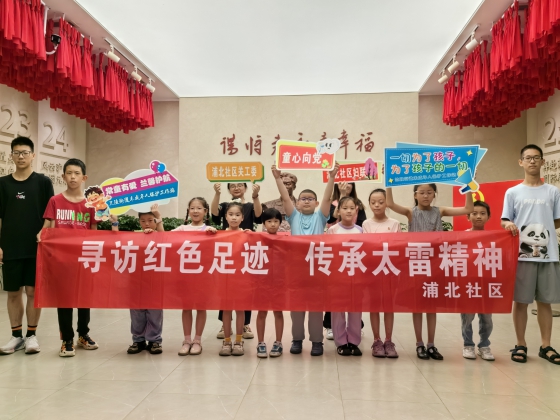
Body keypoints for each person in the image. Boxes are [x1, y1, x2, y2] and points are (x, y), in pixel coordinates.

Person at [387, 183, 473, 361]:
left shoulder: (439, 211)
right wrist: (388, 181)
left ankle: (431, 344)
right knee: (417, 306)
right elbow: (390, 204)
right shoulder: (410, 212)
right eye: (422, 193)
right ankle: (419, 344)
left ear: (434, 194)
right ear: (415, 195)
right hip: (416, 265)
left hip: (435, 265)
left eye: (429, 192)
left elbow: (468, 209)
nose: (425, 196)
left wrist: (468, 185)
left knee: (431, 306)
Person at [38, 158, 113, 357]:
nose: (73, 177)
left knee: (84, 297)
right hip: (61, 260)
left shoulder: (91, 204)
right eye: (69, 173)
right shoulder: (55, 201)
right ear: (63, 176)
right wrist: (41, 236)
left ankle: (83, 334)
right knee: (64, 299)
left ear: (84, 178)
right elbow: (47, 226)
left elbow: (94, 230)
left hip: (85, 259)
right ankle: (66, 339)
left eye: (77, 173)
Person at [272, 162, 339, 356]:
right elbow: (285, 197)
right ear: (298, 203)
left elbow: (327, 198)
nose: (307, 201)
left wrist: (332, 177)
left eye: (311, 199)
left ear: (317, 204)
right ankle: (297, 340)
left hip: (317, 270)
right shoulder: (293, 216)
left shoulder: (321, 217)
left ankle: (317, 341)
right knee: (296, 308)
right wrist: (277, 178)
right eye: (303, 199)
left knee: (316, 308)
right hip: (296, 271)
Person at [502, 144, 560, 365]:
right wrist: (508, 225)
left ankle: (546, 346)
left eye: (536, 157)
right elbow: (505, 219)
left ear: (543, 161)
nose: (532, 161)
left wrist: (541, 232)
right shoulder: (513, 192)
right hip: (522, 255)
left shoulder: (553, 191)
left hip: (548, 254)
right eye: (528, 158)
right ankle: (521, 344)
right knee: (521, 301)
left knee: (545, 302)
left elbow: (557, 220)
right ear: (521, 162)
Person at [0, 137, 54, 355]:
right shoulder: (3, 184)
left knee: (32, 291)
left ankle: (31, 335)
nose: (20, 156)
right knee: (13, 292)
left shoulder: (43, 182)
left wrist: (45, 234)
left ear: (33, 155)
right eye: (16, 153)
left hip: (36, 246)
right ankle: (16, 336)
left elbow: (50, 215)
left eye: (24, 152)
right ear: (11, 155)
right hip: (10, 246)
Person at [212, 182, 262, 340]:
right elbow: (214, 213)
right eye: (232, 185)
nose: (236, 188)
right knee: (225, 292)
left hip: (244, 252)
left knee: (245, 292)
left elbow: (259, 216)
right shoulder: (224, 205)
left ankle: (245, 324)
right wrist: (217, 193)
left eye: (240, 185)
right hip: (227, 254)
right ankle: (225, 324)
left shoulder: (250, 206)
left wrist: (255, 196)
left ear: (245, 188)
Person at [173, 197, 217, 356]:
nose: (195, 211)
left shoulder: (209, 230)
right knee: (186, 307)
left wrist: (214, 234)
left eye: (199, 208)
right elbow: (164, 237)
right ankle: (186, 340)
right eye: (192, 208)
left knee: (200, 307)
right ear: (188, 211)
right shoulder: (182, 229)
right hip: (185, 275)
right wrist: (156, 223)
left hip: (203, 276)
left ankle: (197, 340)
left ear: (205, 211)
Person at [324, 182, 367, 339]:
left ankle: (354, 337)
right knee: (337, 305)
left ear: (356, 210)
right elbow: (327, 252)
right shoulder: (332, 230)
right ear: (339, 211)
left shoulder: (361, 230)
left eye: (352, 208)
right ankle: (339, 338)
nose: (348, 211)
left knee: (355, 306)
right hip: (337, 274)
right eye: (345, 208)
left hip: (355, 274)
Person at [362, 188, 401, 358]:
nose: (377, 205)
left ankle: (389, 340)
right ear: (369, 204)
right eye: (373, 202)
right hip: (373, 272)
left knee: (389, 306)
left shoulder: (395, 223)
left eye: (380, 202)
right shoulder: (366, 224)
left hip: (390, 271)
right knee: (374, 306)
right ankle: (377, 340)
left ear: (387, 204)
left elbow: (398, 247)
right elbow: (366, 247)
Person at [126, 204, 165, 355]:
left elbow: (164, 238)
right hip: (136, 281)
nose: (147, 224)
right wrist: (114, 222)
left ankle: (155, 340)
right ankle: (138, 340)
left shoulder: (160, 236)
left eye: (150, 220)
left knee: (155, 311)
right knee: (137, 312)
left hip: (155, 281)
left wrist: (158, 216)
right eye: (143, 221)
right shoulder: (134, 236)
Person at [461, 200, 495, 361]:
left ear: (489, 216)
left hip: (487, 284)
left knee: (487, 318)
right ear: (468, 216)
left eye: (483, 213)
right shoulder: (462, 236)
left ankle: (484, 345)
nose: (479, 216)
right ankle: (468, 345)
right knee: (467, 317)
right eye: (474, 213)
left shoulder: (494, 238)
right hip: (468, 284)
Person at [219, 202, 250, 357]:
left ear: (242, 217)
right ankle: (226, 341)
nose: (234, 218)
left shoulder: (246, 234)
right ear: (226, 217)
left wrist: (251, 236)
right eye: (231, 214)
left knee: (240, 309)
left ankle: (238, 341)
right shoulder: (219, 234)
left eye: (237, 215)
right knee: (226, 309)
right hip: (225, 278)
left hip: (241, 278)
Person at [256, 208, 285, 358]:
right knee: (262, 312)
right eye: (269, 221)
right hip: (262, 282)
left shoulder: (285, 239)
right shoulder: (258, 238)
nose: (273, 224)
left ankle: (278, 342)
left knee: (278, 312)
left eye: (276, 221)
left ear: (280, 223)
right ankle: (260, 342)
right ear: (263, 223)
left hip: (279, 282)